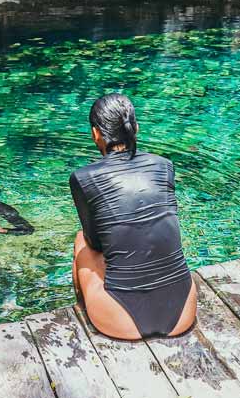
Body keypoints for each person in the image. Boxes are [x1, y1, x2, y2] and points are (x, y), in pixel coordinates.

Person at [70, 94, 197, 339]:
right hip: (183, 312)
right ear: (135, 128)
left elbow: (95, 243)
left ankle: (82, 309)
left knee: (80, 242)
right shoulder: (164, 165)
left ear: (95, 134)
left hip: (121, 321)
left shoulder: (83, 177)